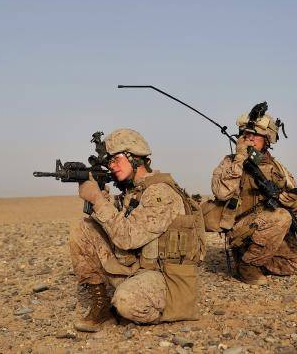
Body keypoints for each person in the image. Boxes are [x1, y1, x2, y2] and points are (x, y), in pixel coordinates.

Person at [70, 128, 205, 332]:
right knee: (85, 229)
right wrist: (103, 197)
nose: (111, 166)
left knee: (126, 303)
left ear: (135, 158)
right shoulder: (135, 192)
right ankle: (102, 307)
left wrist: (96, 199)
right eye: (109, 162)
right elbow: (117, 225)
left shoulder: (160, 193)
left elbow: (128, 238)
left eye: (116, 160)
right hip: (138, 267)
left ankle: (165, 309)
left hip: (166, 277)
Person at [209, 103, 297, 285]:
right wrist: (239, 159)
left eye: (254, 135)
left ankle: (257, 260)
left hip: (270, 232)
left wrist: (293, 201)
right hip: (241, 229)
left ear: (267, 139)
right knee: (281, 217)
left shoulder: (278, 168)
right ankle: (247, 265)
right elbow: (221, 193)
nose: (249, 139)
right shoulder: (230, 163)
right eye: (245, 135)